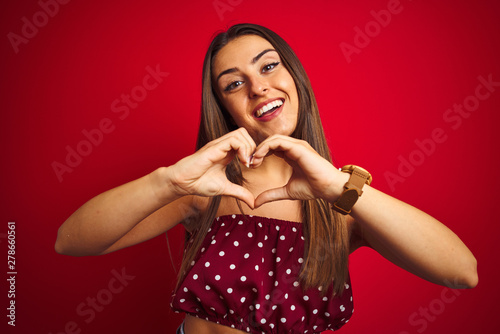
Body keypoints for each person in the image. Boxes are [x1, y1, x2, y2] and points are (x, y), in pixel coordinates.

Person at [55, 23, 478, 334]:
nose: (258, 87)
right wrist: (167, 182)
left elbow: (462, 273)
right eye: (234, 83)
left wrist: (338, 189)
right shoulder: (206, 189)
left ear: (294, 77)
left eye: (269, 67)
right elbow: (71, 241)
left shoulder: (342, 203)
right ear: (225, 109)